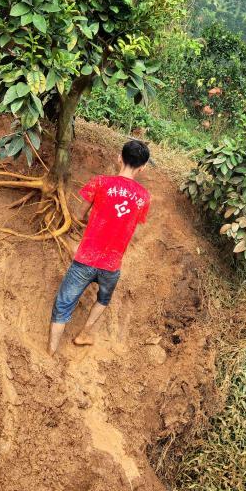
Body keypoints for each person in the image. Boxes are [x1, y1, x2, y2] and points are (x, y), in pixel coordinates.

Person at [48, 140, 151, 355]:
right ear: (143, 167)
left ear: (119, 158)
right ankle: (84, 334)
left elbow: (79, 215)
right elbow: (133, 226)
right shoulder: (143, 197)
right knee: (103, 299)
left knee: (64, 304)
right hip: (112, 265)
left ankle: (50, 351)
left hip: (86, 258)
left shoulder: (100, 182)